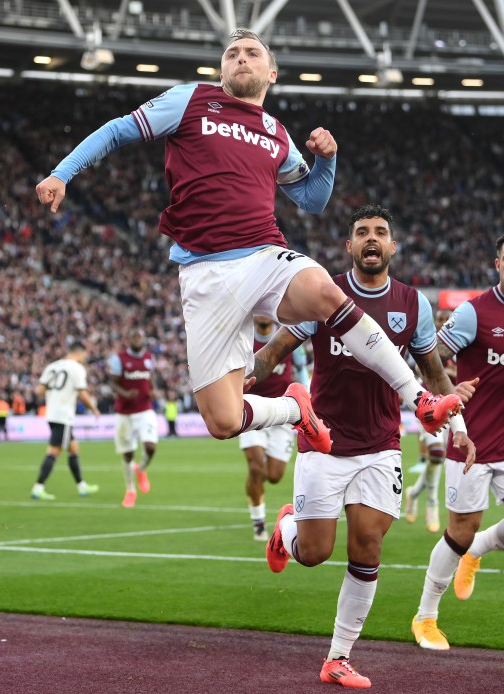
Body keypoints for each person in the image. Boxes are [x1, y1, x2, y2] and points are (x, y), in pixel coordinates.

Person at [35, 28, 461, 462]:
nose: (241, 58)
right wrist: (61, 173)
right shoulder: (191, 99)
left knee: (327, 293)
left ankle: (419, 399)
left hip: (262, 255)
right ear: (221, 70)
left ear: (270, 73)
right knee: (222, 420)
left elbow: (312, 200)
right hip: (204, 273)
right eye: (232, 53)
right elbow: (117, 131)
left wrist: (327, 160)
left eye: (252, 53)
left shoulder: (276, 132)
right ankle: (296, 409)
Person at [250, 204, 477, 688]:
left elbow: (432, 372)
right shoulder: (325, 294)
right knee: (313, 553)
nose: (371, 239)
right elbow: (276, 351)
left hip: (380, 446)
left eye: (380, 232)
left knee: (367, 546)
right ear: (349, 246)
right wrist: (248, 376)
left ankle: (337, 658)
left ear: (393, 246)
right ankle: (285, 529)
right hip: (324, 442)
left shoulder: (413, 304)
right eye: (362, 233)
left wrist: (458, 425)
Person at [411, 227, 504, 652]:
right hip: (469, 443)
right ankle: (425, 618)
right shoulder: (474, 314)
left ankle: (477, 552)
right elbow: (430, 358)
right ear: (497, 264)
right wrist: (449, 389)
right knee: (458, 532)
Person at [240, 316, 308, 541]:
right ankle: (258, 523)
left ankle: (276, 512)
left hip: (282, 412)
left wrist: (307, 399)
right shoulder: (245, 340)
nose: (263, 315)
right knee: (256, 467)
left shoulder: (287, 338)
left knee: (275, 475)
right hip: (251, 409)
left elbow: (300, 370)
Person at [30, 343, 101, 501]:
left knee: (74, 447)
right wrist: (94, 409)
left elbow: (39, 391)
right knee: (54, 452)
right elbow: (82, 393)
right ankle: (38, 487)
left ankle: (82, 486)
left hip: (52, 413)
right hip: (63, 416)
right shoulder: (77, 368)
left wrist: (55, 395)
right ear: (80, 353)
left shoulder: (52, 366)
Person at [405, 309, 453, 533]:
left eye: (447, 320)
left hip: (453, 407)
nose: (443, 323)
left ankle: (414, 493)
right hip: (428, 405)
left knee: (440, 458)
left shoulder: (460, 345)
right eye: (440, 319)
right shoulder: (427, 342)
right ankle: (432, 501)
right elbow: (417, 367)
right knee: (436, 453)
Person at [107, 328, 159, 508]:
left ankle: (141, 469)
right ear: (129, 339)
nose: (137, 339)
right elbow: (112, 382)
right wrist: (125, 393)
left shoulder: (149, 358)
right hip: (125, 412)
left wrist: (153, 391)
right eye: (134, 336)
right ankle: (130, 490)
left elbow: (151, 377)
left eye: (140, 336)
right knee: (128, 454)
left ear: (144, 339)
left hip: (145, 409)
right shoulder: (119, 359)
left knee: (151, 447)